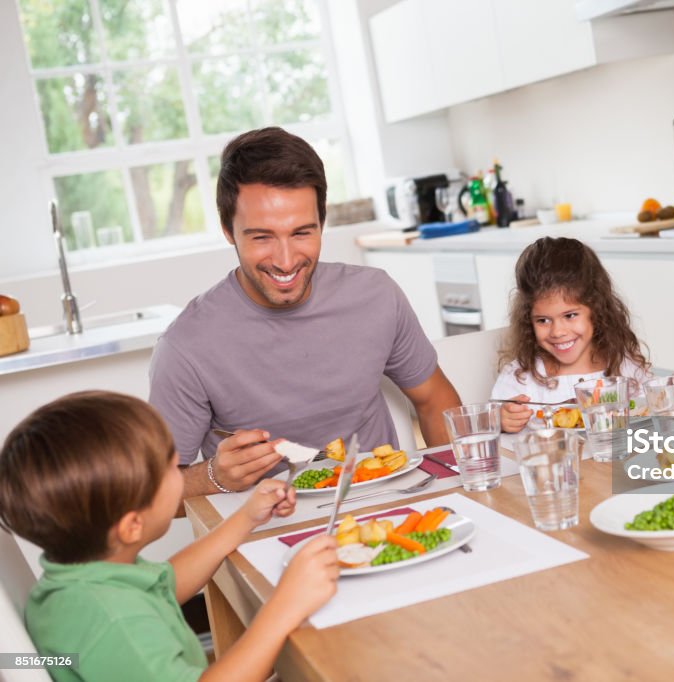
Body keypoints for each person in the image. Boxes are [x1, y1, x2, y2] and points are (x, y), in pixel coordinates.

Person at [149, 127, 460, 497]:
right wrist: (215, 476)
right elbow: (157, 498)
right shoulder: (186, 345)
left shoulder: (375, 295)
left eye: (301, 233)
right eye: (262, 237)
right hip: (267, 534)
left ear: (322, 221)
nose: (285, 260)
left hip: (383, 509)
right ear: (227, 229)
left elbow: (435, 400)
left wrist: (459, 489)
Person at [0, 391, 339, 682]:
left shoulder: (81, 582)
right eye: (167, 464)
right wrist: (284, 607)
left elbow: (166, 584)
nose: (178, 462)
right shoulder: (116, 620)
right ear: (132, 525)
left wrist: (246, 517)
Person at [492, 237, 674, 433]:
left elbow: (653, 401)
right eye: (543, 320)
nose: (557, 331)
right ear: (528, 320)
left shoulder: (622, 363)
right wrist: (500, 420)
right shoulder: (521, 378)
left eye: (570, 315)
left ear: (596, 309)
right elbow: (489, 429)